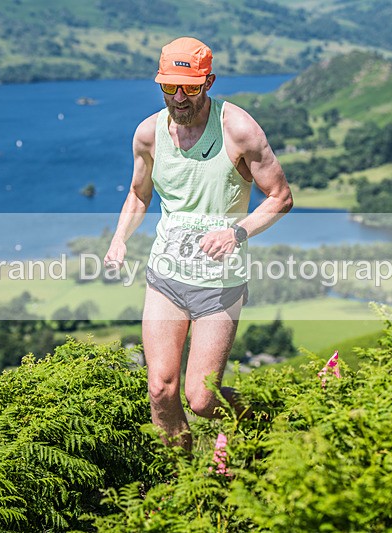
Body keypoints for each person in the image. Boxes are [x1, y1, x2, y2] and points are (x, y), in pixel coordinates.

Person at [104, 37, 292, 450]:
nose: (179, 97)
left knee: (203, 399)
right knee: (160, 389)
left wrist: (237, 231)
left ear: (209, 82)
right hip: (166, 277)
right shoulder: (148, 134)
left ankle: (266, 423)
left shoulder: (238, 129)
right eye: (169, 86)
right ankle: (184, 476)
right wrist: (119, 238)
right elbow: (138, 194)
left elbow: (280, 197)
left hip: (219, 285)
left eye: (189, 87)